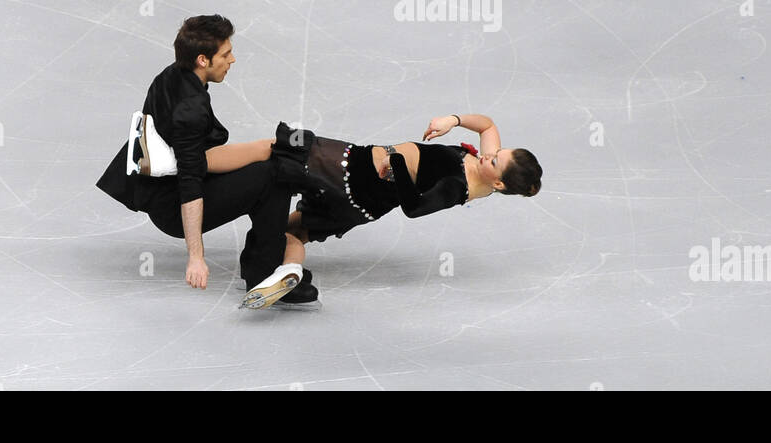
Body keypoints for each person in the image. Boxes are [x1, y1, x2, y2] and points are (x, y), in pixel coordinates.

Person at [139, 112, 542, 309]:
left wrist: (398, 165)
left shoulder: (461, 187)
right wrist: (452, 120)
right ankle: (289, 273)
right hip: (359, 207)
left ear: (500, 184)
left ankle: (170, 163)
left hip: (356, 171)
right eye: (498, 153)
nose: (491, 154)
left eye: (495, 161)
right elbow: (487, 125)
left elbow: (415, 208)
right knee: (297, 230)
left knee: (276, 148)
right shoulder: (491, 168)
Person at [95, 15, 318, 304]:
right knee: (275, 175)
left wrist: (264, 147)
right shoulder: (190, 109)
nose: (232, 59)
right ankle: (263, 272)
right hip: (173, 206)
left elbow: (199, 159)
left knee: (271, 164)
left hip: (167, 188)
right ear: (203, 59)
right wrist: (196, 258)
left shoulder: (172, 75)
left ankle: (260, 263)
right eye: (225, 54)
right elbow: (190, 183)